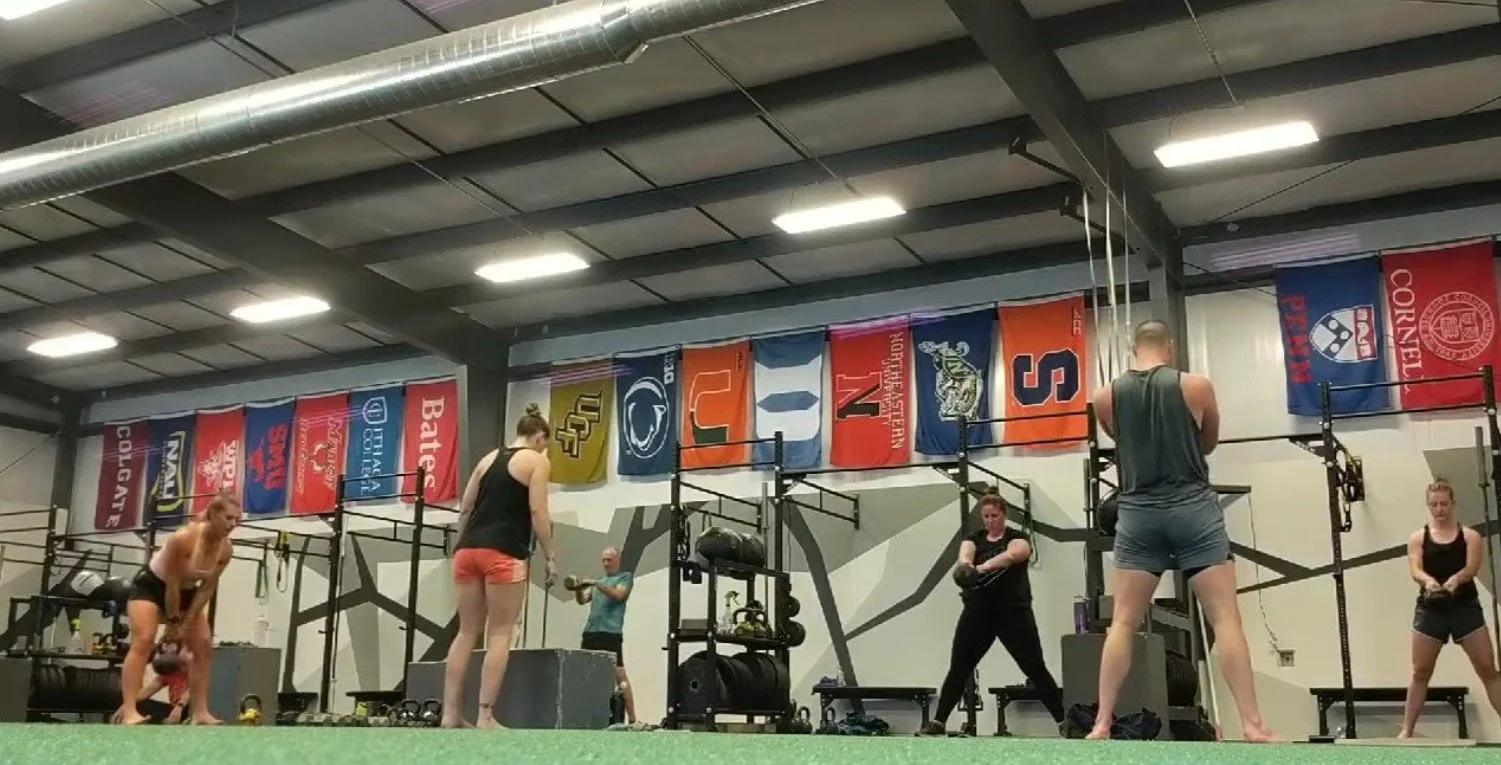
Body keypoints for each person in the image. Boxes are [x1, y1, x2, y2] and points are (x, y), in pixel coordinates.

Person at [1087, 319, 1278, 742]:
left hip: (1138, 514)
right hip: (1192, 509)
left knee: (1122, 622)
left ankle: (1101, 723)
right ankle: (1253, 724)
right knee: (1225, 618)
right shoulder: (1197, 386)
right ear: (1169, 348)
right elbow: (1207, 443)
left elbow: (1121, 440)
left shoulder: (1104, 397)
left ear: (1133, 349)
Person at [441, 404, 559, 729]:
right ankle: (485, 716)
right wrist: (550, 556)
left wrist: (462, 545)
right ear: (539, 437)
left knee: (466, 632)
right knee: (500, 633)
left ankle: (450, 714)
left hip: (467, 551)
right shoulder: (537, 461)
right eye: (545, 445)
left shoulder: (487, 459)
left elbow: (465, 509)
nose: (544, 450)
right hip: (503, 552)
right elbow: (538, 512)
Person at [919, 493, 1065, 735]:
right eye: (986, 516)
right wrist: (966, 567)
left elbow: (1014, 554)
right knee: (959, 668)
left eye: (994, 516)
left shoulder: (1017, 538)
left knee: (1035, 669)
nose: (990, 521)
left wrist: (982, 567)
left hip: (1013, 615)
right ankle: (939, 722)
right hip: (978, 615)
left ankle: (1064, 723)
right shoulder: (973, 539)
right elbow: (965, 556)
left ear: (1004, 515)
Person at [118, 491, 240, 725]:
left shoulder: (226, 550)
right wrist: (173, 624)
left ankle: (200, 713)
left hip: (187, 591)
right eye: (228, 518)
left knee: (203, 644)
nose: (233, 524)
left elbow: (206, 589)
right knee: (144, 640)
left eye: (237, 520)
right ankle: (130, 712)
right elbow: (171, 585)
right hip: (153, 585)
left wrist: (187, 623)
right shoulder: (183, 538)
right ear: (213, 514)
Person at [1399, 479, 1501, 737]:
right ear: (1428, 506)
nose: (1439, 509)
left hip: (1465, 608)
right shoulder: (1417, 538)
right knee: (1420, 672)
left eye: (1444, 504)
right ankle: (1406, 732)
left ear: (1452, 504)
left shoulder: (1470, 536)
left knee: (1488, 670)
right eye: (1434, 505)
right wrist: (1427, 580)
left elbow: (1471, 567)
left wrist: (1457, 579)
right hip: (1431, 609)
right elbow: (1415, 568)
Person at [574, 546, 637, 724]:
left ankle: (633, 720)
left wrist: (595, 583)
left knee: (620, 676)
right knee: (586, 675)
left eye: (609, 560)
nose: (606, 563)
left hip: (610, 634)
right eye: (603, 560)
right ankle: (586, 718)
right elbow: (582, 600)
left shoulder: (625, 578)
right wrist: (578, 588)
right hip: (590, 633)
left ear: (618, 560)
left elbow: (619, 595)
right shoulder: (600, 582)